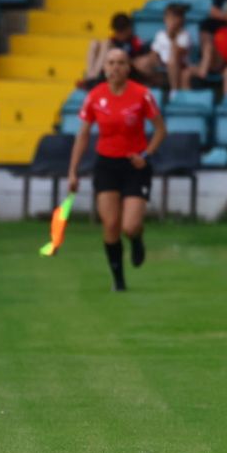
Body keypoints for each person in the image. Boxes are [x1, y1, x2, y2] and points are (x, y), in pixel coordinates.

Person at [67, 47, 164, 293]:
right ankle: (118, 280)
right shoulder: (95, 96)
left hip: (135, 164)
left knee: (128, 226)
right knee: (110, 224)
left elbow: (161, 130)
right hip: (106, 164)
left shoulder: (142, 94)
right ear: (104, 68)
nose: (115, 67)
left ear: (128, 67)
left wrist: (147, 154)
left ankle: (136, 239)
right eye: (110, 63)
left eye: (120, 63)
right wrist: (73, 171)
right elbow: (83, 135)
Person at [80, 12, 155, 86]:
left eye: (120, 31)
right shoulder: (113, 41)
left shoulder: (135, 43)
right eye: (116, 31)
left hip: (127, 73)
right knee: (95, 43)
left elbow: (141, 62)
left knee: (107, 45)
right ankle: (91, 76)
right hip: (109, 70)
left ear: (128, 29)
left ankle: (92, 80)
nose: (117, 34)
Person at [150, 2, 192, 91]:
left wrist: (172, 36)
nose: (171, 20)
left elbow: (179, 52)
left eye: (174, 17)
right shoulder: (160, 34)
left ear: (181, 20)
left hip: (180, 65)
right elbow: (154, 52)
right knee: (143, 62)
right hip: (162, 64)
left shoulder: (184, 35)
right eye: (169, 17)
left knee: (172, 59)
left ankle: (174, 91)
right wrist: (157, 62)